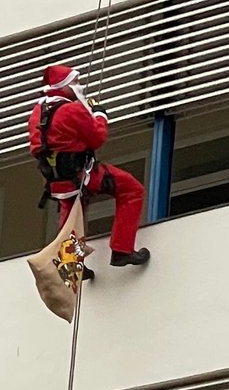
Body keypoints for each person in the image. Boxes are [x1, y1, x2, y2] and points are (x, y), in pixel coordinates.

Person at [27, 65, 150, 268]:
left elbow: (37, 146)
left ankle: (72, 266)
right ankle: (122, 249)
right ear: (64, 86)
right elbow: (97, 138)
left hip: (57, 180)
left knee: (71, 215)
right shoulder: (71, 110)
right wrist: (100, 116)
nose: (78, 86)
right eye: (74, 82)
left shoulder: (38, 112)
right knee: (131, 190)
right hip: (82, 173)